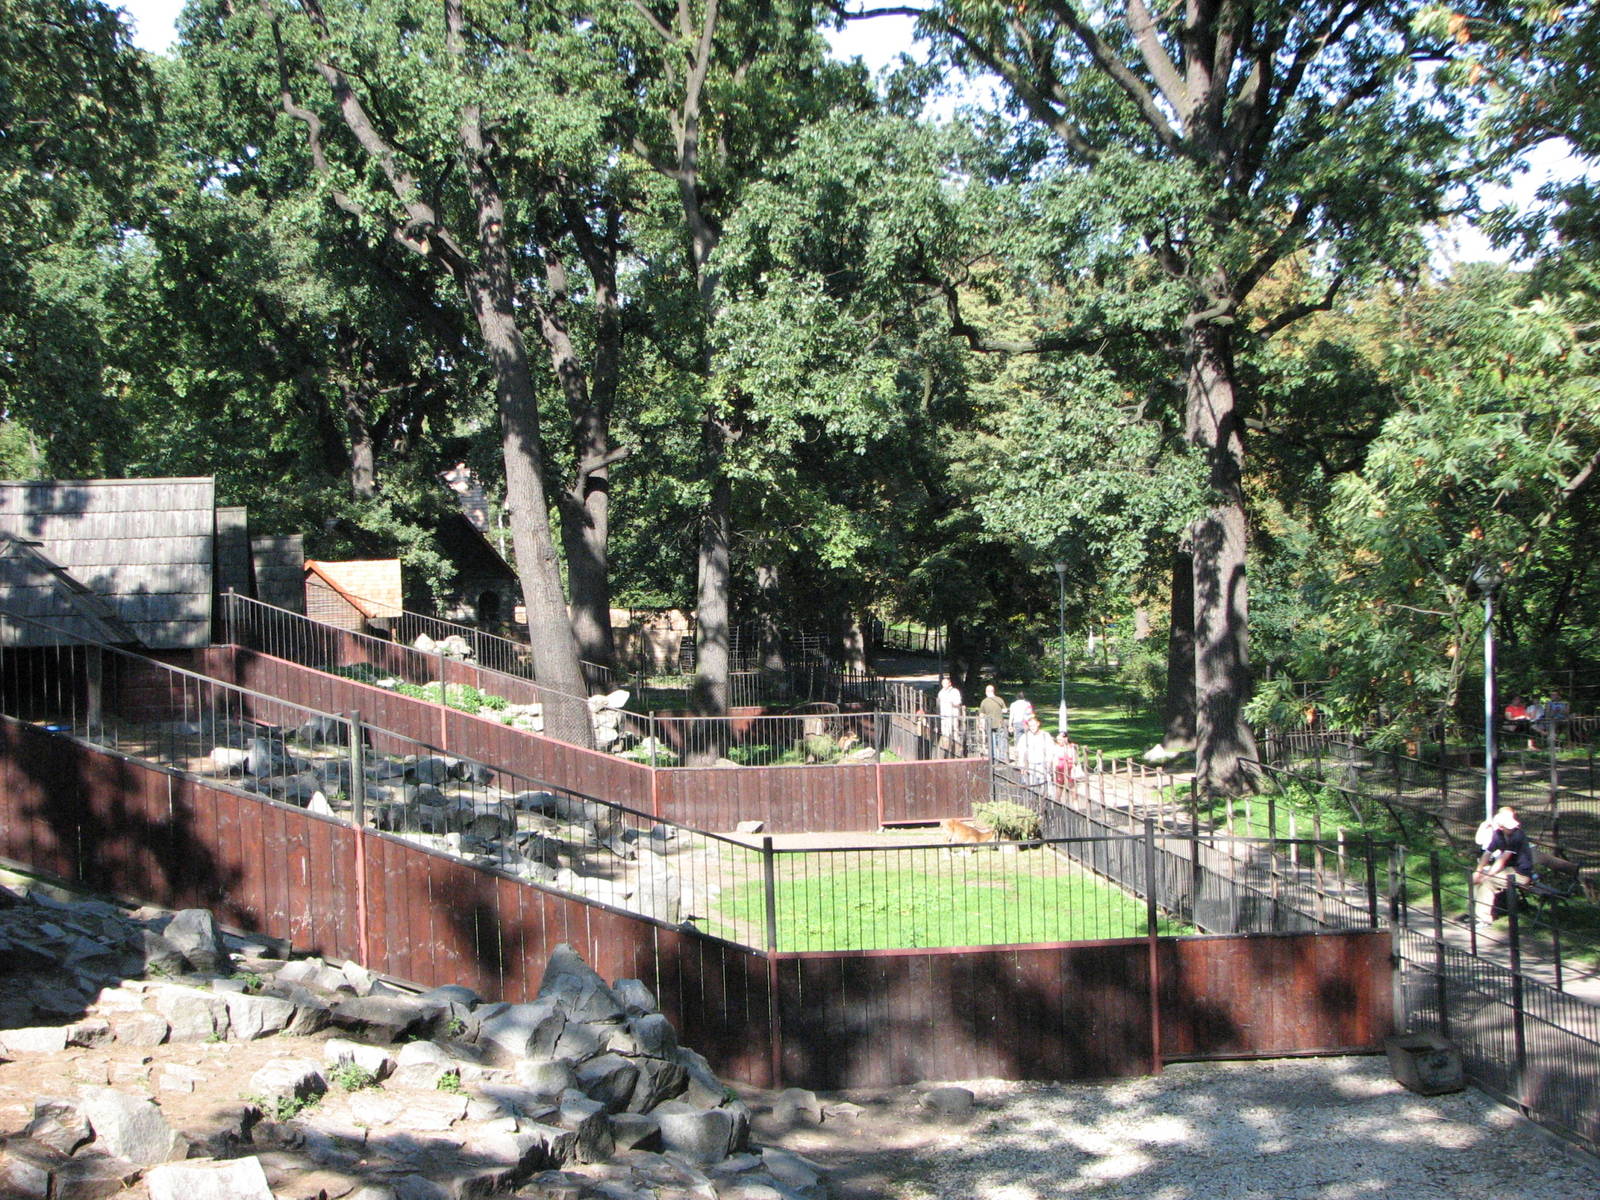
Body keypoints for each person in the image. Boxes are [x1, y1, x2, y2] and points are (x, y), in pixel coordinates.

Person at [1471, 806, 1534, 925]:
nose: (1514, 827)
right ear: (1501, 827)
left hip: (1521, 874)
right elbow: (1487, 853)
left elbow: (1503, 859)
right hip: (1508, 870)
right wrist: (1478, 871)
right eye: (1508, 826)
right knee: (1477, 879)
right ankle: (1474, 912)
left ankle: (1484, 919)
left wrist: (1488, 875)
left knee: (1488, 881)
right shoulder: (1498, 834)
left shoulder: (1518, 835)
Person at [1013, 716, 1058, 790]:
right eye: (1030, 726)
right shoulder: (1025, 737)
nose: (1032, 727)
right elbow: (1021, 752)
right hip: (1030, 765)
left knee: (1046, 788)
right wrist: (1022, 765)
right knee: (1032, 788)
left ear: (1038, 724)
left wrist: (1049, 762)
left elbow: (1051, 750)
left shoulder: (1045, 735)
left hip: (1043, 765)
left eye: (1034, 725)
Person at [978, 684, 1008, 759]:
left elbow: (981, 714)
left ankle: (993, 756)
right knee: (1001, 740)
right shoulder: (999, 699)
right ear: (993, 691)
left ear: (986, 692)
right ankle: (1002, 757)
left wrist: (981, 724)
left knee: (992, 741)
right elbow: (1005, 710)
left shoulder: (984, 702)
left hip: (990, 724)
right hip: (999, 723)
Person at [936, 674, 963, 748]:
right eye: (943, 683)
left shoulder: (954, 691)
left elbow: (958, 702)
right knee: (945, 731)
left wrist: (952, 702)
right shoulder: (941, 693)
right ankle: (946, 746)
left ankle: (956, 745)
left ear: (949, 683)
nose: (944, 685)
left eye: (945, 683)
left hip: (953, 714)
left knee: (954, 730)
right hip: (944, 715)